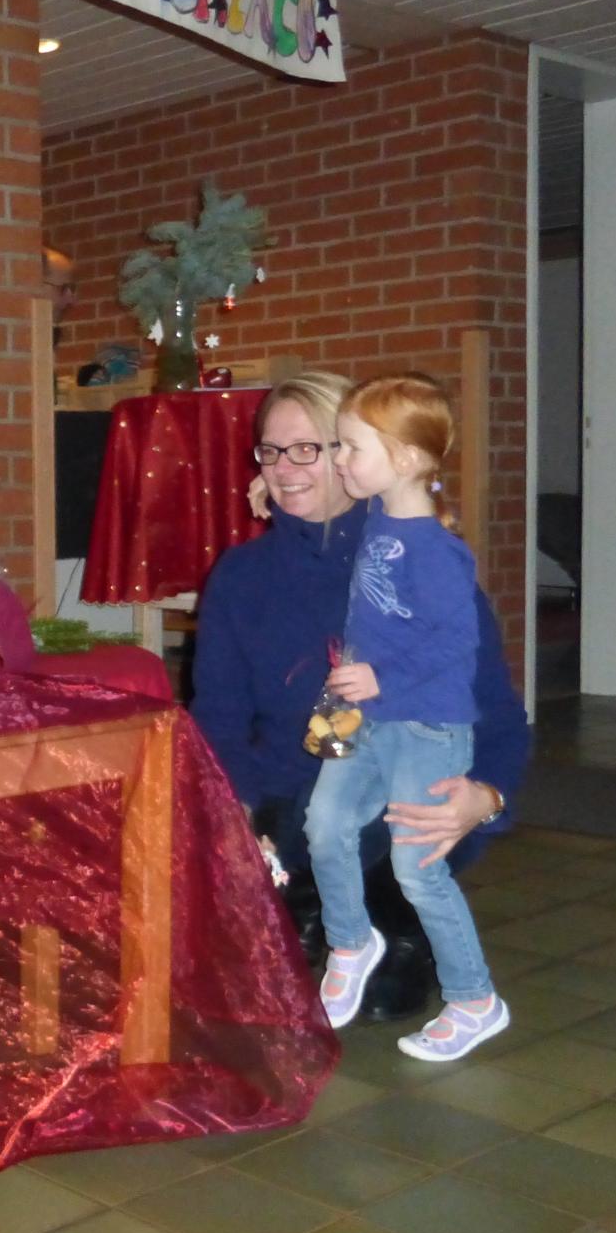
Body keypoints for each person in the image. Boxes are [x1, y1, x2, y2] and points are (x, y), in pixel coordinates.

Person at [190, 371, 528, 1026]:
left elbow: (496, 710)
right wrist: (236, 812)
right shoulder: (241, 576)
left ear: (359, 453)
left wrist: (485, 797)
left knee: (384, 827)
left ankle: (403, 928)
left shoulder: (418, 565)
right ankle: (312, 906)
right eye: (270, 451)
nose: (285, 469)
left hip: (402, 800)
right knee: (238, 986)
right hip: (292, 800)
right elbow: (219, 718)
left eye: (309, 449)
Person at [304, 374, 509, 1061]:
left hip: (424, 726)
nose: (339, 461)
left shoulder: (438, 551)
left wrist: (381, 677)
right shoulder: (375, 521)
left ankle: (475, 999)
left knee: (420, 870)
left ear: (410, 460)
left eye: (352, 448)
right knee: (324, 824)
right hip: (363, 719)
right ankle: (352, 943)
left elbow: (457, 642)